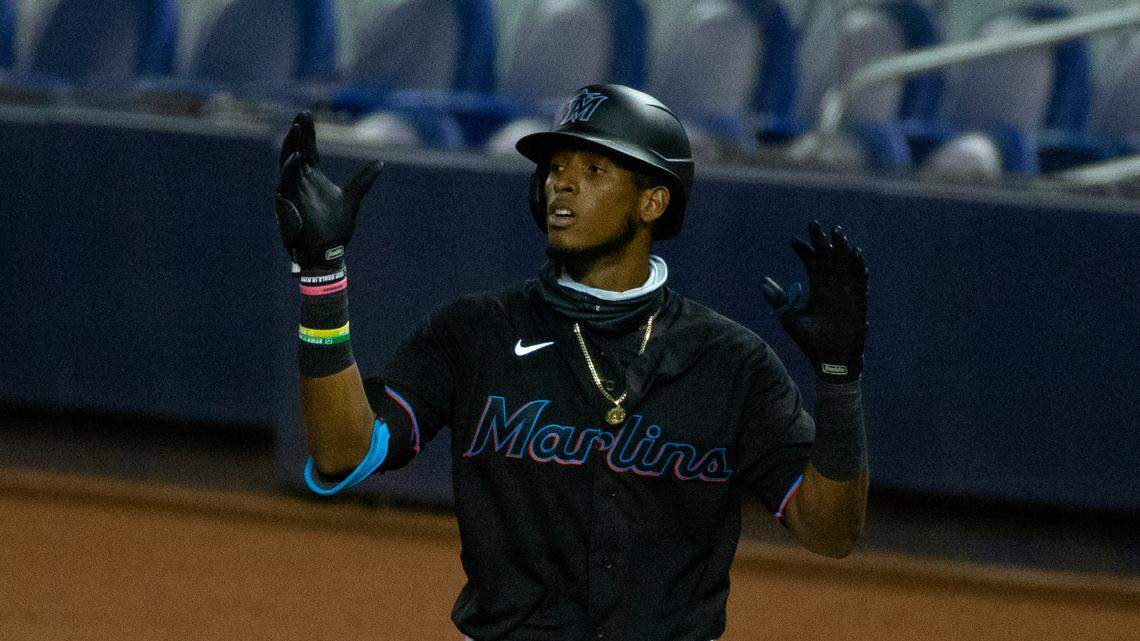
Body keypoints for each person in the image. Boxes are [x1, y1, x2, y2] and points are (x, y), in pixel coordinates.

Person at [274, 84, 869, 641]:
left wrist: (839, 382)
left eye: (593, 170)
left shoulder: (732, 363)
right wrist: (323, 278)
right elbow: (343, 451)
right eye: (555, 169)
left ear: (652, 201)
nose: (562, 184)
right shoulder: (474, 332)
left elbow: (830, 531)